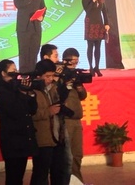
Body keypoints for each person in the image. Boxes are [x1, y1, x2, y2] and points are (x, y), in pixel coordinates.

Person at [0, 59, 38, 185]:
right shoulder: (2, 92)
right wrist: (23, 93)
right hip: (12, 141)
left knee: (19, 177)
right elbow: (15, 111)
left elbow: (32, 110)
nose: (16, 74)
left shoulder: (16, 89)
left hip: (23, 139)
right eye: (13, 71)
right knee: (13, 177)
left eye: (16, 70)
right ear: (3, 73)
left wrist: (31, 93)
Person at [30, 59, 67, 185]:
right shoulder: (32, 92)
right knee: (40, 174)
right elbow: (31, 114)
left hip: (57, 137)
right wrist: (48, 111)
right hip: (42, 140)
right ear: (38, 76)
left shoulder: (53, 88)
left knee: (58, 172)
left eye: (52, 75)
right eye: (47, 76)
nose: (50, 79)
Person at [60, 48, 87, 183]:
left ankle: (77, 180)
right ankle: (66, 181)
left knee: (77, 155)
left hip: (77, 119)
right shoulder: (59, 76)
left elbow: (83, 96)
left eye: (77, 62)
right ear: (65, 61)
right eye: (73, 62)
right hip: (66, 120)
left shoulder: (76, 75)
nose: (75, 65)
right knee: (67, 156)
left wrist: (79, 86)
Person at [14, 0, 46, 73]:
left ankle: (33, 73)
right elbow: (18, 5)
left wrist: (41, 16)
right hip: (24, 27)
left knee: (34, 51)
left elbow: (43, 7)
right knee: (24, 51)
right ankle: (24, 73)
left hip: (36, 27)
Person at [81, 0, 110, 76]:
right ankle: (90, 67)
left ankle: (97, 67)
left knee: (98, 46)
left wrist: (106, 23)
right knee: (90, 46)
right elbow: (87, 10)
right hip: (90, 23)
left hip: (99, 23)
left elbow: (104, 11)